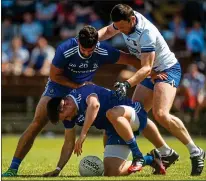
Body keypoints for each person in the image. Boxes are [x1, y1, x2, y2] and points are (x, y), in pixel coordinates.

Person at [2, 25, 167, 177]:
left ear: (97, 44)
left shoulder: (103, 50)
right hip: (60, 85)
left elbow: (130, 59)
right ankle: (13, 168)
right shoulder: (65, 50)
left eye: (91, 50)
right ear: (78, 42)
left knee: (102, 121)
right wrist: (77, 86)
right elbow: (54, 75)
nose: (87, 53)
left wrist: (151, 72)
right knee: (38, 122)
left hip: (84, 90)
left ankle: (121, 158)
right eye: (84, 49)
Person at [98, 4, 205, 176]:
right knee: (137, 115)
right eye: (119, 28)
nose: (122, 31)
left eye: (124, 27)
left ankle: (195, 151)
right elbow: (109, 32)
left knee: (161, 114)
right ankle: (166, 152)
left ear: (132, 20)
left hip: (166, 70)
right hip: (151, 72)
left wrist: (127, 84)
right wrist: (92, 38)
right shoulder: (124, 21)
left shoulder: (145, 33)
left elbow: (147, 68)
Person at [44, 84, 166, 176]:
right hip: (114, 127)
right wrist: (58, 169)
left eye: (66, 116)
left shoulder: (83, 92)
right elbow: (68, 142)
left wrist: (83, 134)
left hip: (131, 114)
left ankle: (137, 155)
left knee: (111, 113)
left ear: (66, 104)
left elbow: (94, 105)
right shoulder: (68, 115)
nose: (68, 119)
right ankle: (151, 158)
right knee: (112, 172)